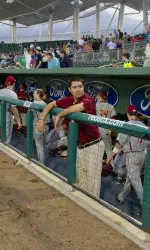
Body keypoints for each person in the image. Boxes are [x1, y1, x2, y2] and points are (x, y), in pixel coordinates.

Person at [37, 77, 105, 198]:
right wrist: (41, 119)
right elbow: (52, 104)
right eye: (75, 87)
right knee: (81, 176)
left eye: (80, 86)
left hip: (93, 145)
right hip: (79, 145)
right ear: (70, 89)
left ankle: (93, 205)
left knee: (93, 180)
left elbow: (78, 108)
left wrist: (60, 114)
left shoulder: (88, 100)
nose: (78, 89)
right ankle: (85, 203)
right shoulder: (68, 100)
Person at [107, 105, 147, 207]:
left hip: (132, 156)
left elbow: (119, 143)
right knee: (131, 178)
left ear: (128, 114)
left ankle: (145, 205)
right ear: (136, 114)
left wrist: (111, 155)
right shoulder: (144, 125)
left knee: (136, 181)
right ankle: (121, 197)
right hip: (143, 155)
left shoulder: (127, 125)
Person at [0, 76, 22, 143]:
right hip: (7, 115)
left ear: (6, 83)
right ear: (13, 83)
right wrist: (18, 121)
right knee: (6, 138)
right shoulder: (13, 94)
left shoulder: (0, 91)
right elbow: (14, 109)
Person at [96, 89, 116, 158]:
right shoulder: (110, 106)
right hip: (106, 130)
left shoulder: (95, 106)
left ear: (99, 96)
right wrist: (110, 129)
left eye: (98, 95)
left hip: (97, 130)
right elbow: (114, 118)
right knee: (109, 150)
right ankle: (110, 165)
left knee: (97, 150)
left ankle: (97, 166)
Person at [33, 89, 50, 163]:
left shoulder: (35, 103)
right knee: (44, 145)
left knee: (39, 145)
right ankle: (43, 162)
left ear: (38, 95)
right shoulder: (44, 103)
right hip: (46, 126)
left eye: (34, 93)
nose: (33, 94)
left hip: (38, 126)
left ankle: (41, 164)